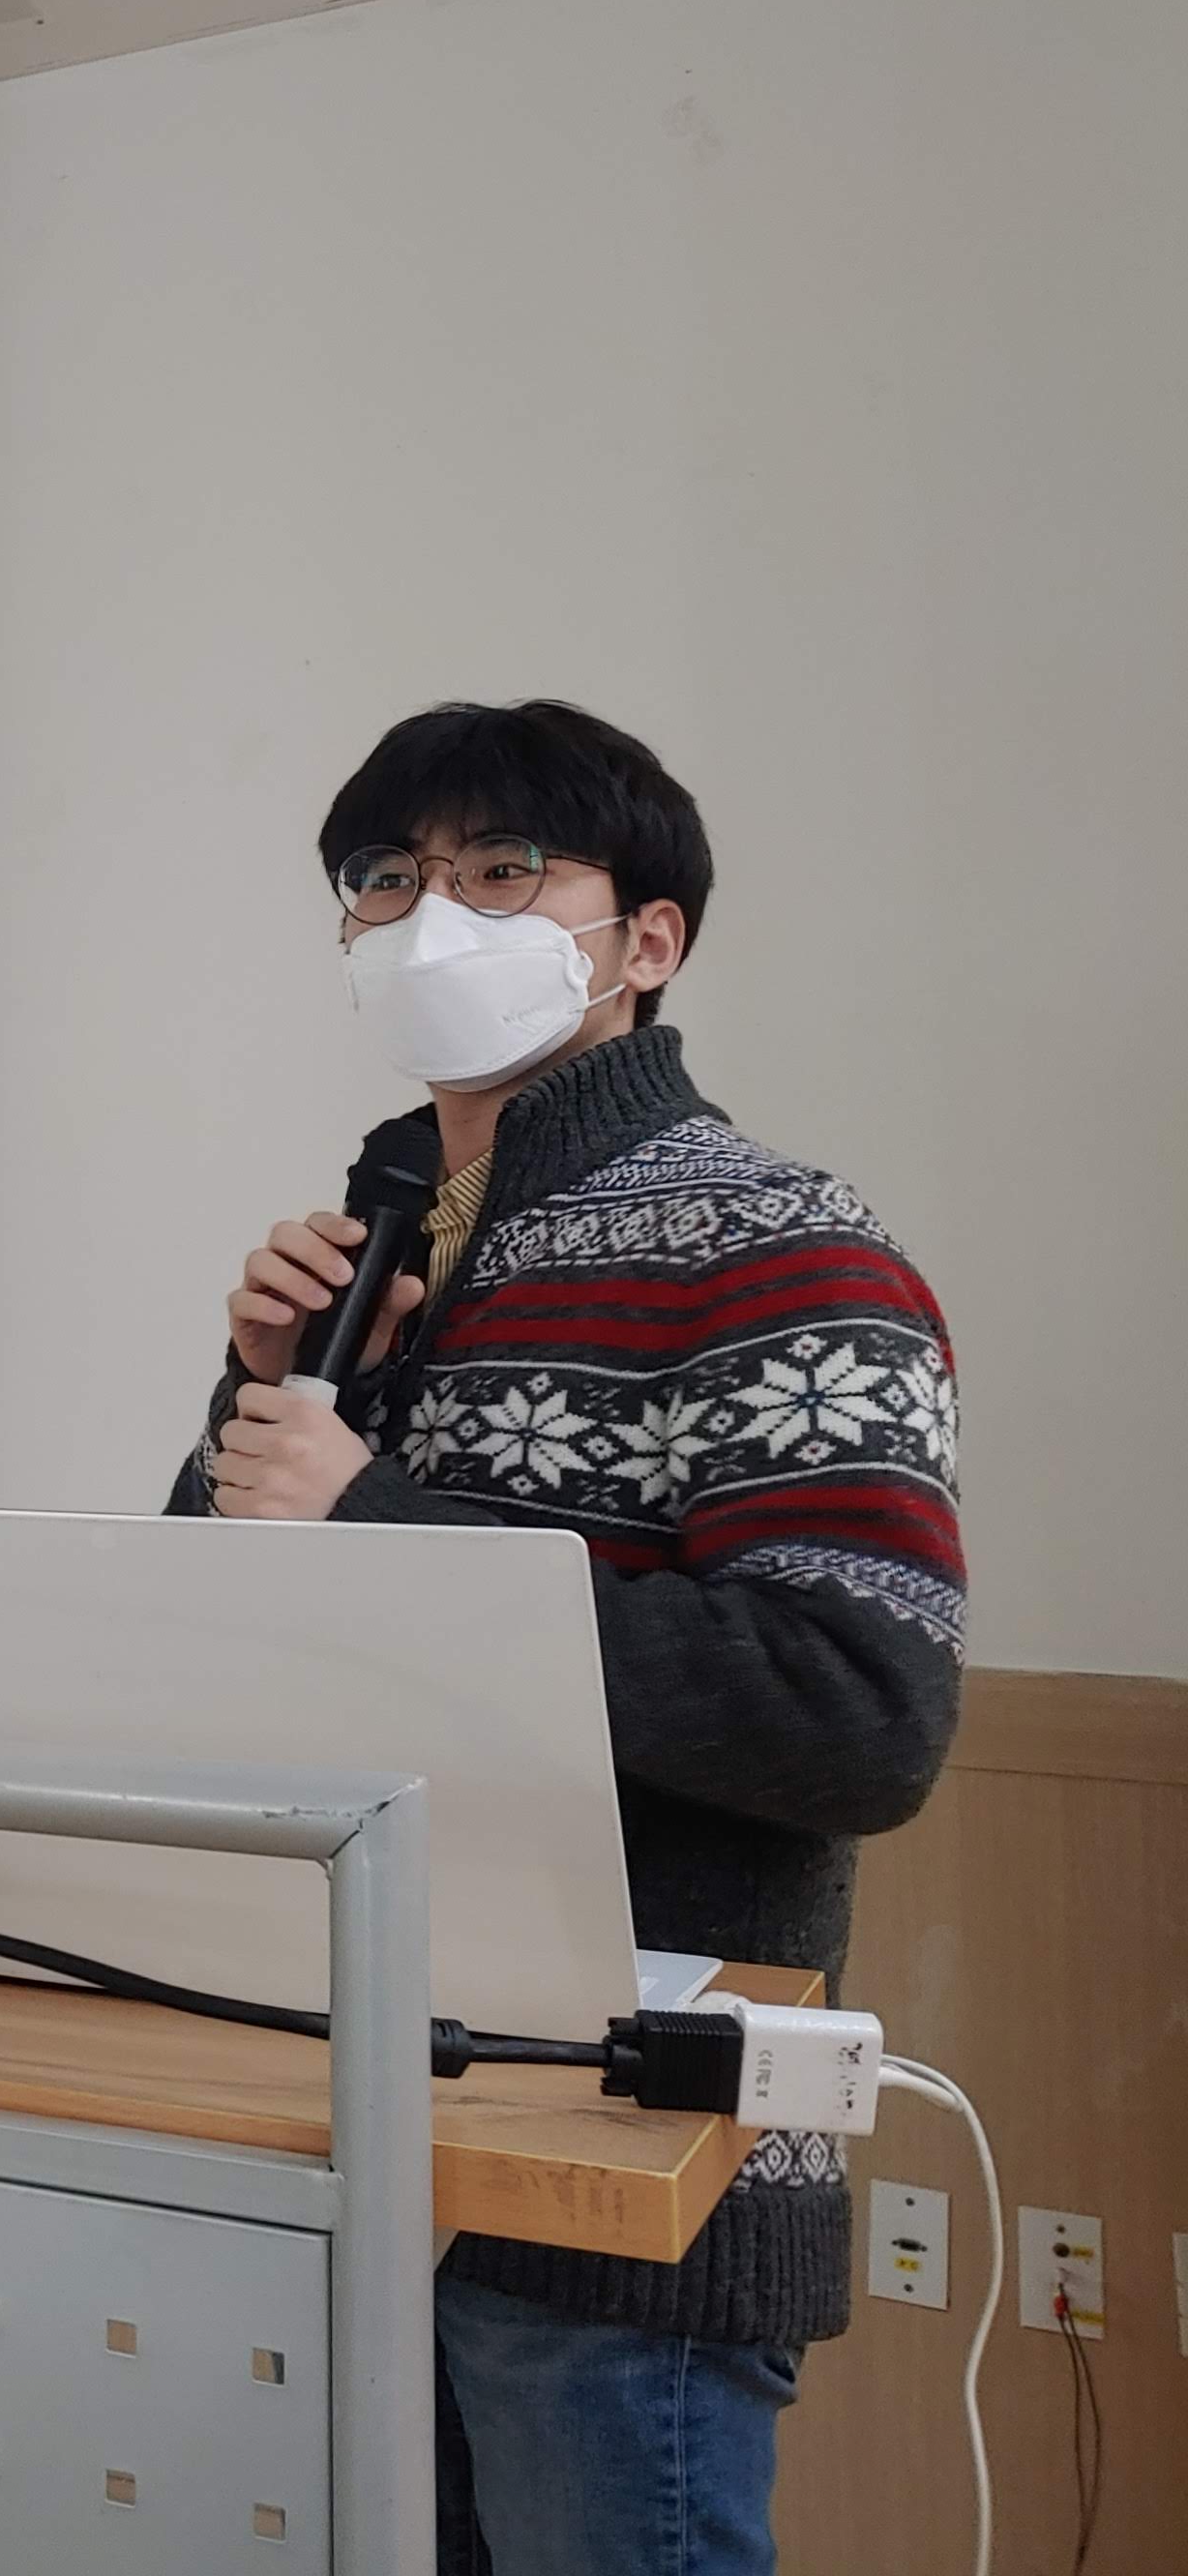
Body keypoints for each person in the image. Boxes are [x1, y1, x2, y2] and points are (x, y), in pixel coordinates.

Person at [169, 699, 963, 2576]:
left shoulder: (785, 1245)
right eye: (388, 876)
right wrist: (257, 1398)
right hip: (351, 2127)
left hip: (620, 2182)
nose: (431, 913)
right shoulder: (382, 1252)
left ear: (646, 941)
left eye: (502, 869)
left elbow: (858, 1709)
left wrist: (372, 1523)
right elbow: (227, 1654)